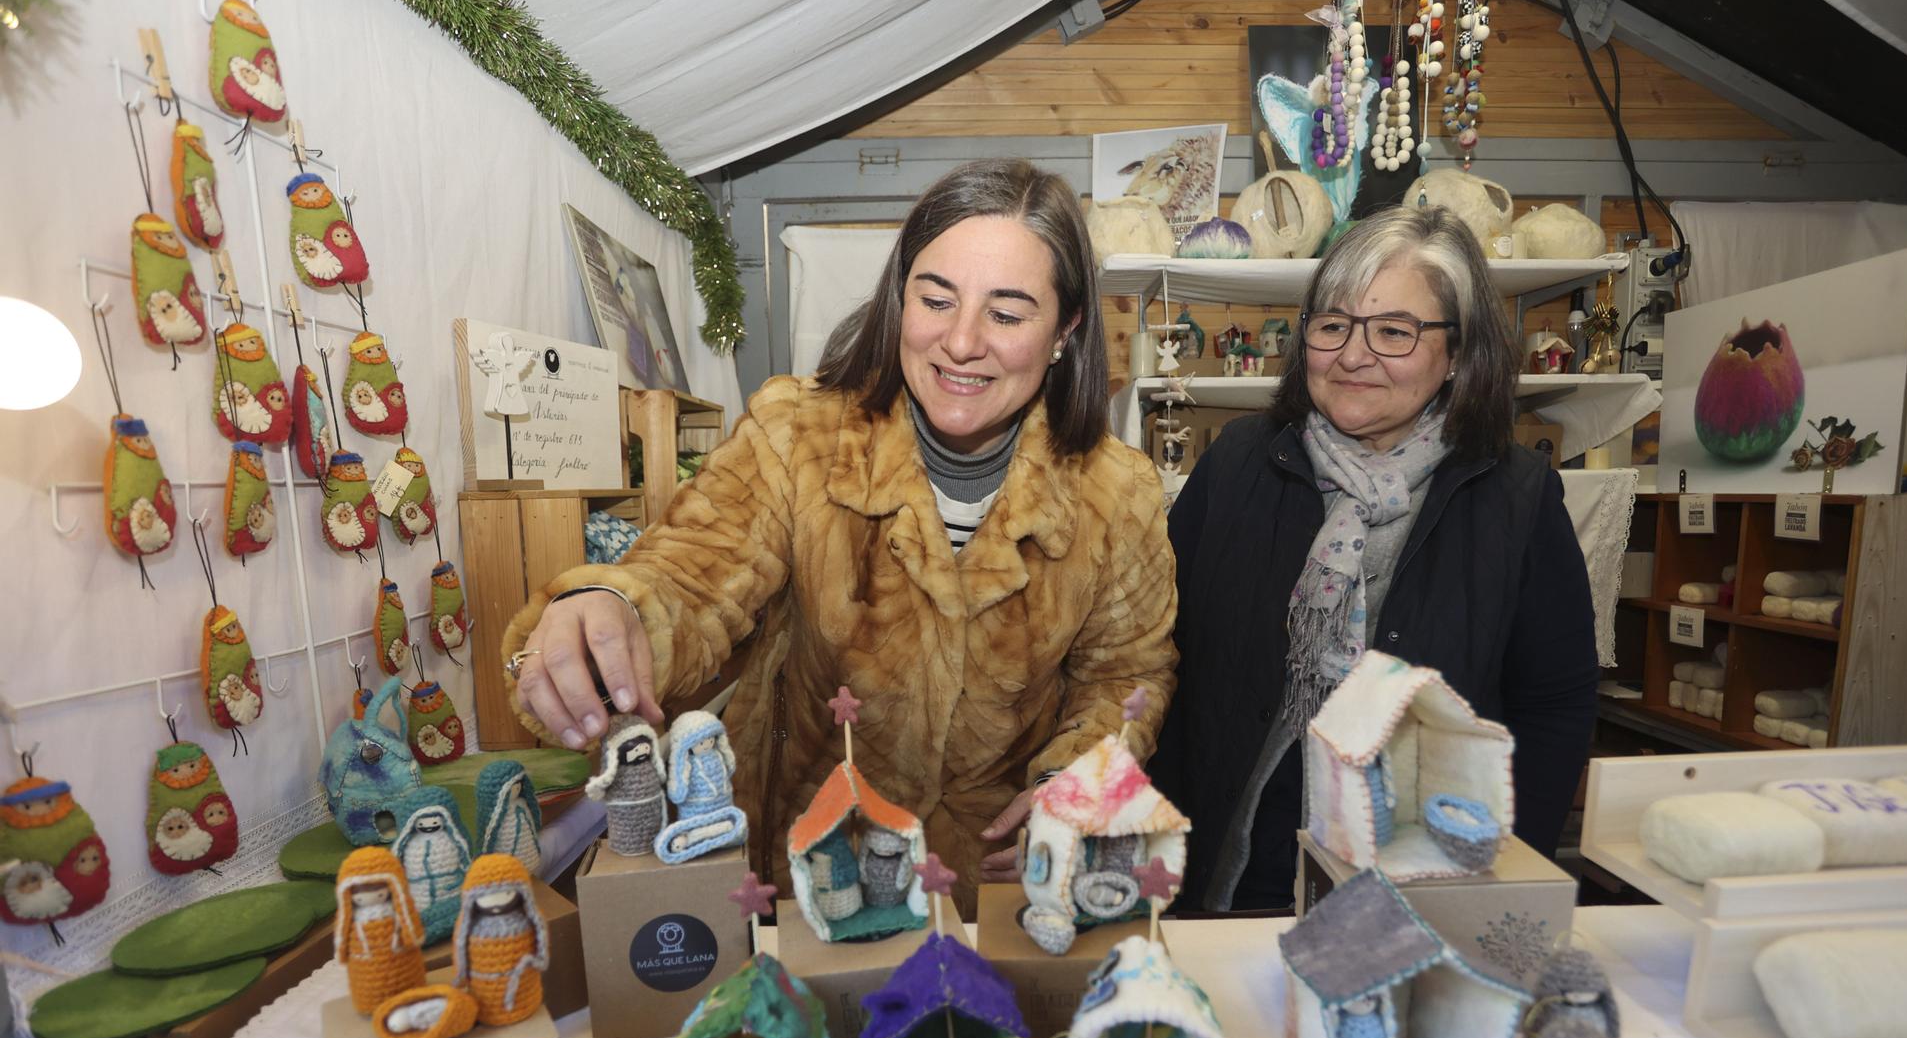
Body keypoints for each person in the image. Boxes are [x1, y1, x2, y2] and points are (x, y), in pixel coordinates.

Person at [503, 159, 1176, 914]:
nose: (960, 341)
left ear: (1065, 330)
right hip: (812, 881)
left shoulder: (1118, 492)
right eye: (936, 298)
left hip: (996, 894)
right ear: (900, 299)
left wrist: (1074, 782)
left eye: (1008, 314)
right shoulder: (798, 434)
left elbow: (1126, 673)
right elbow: (693, 574)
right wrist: (611, 604)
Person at [1154, 206, 1597, 911]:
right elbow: (1162, 656)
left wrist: (1502, 879)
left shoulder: (1516, 496)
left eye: (1394, 331)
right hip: (1231, 871)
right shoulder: (1238, 463)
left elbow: (1555, 706)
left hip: (1420, 884)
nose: (1353, 355)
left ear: (1457, 353)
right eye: (1333, 324)